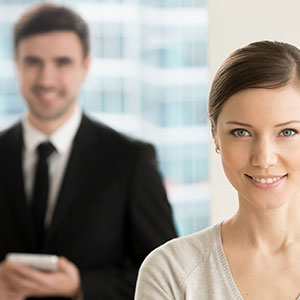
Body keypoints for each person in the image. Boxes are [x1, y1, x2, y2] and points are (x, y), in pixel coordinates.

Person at [0, 3, 177, 300]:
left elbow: (168, 274)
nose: (46, 79)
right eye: (33, 62)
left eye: (62, 62)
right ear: (16, 65)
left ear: (85, 67)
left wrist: (81, 285)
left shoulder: (130, 160)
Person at [134, 40, 300, 300]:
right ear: (215, 135)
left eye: (287, 132)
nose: (264, 158)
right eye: (241, 132)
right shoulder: (172, 272)